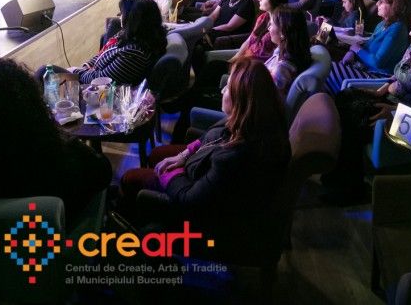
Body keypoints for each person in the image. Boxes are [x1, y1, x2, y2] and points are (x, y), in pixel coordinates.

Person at [119, 59, 290, 242]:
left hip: (208, 217)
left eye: (228, 88)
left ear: (240, 100)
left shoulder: (235, 157)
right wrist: (183, 155)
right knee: (156, 154)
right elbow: (210, 136)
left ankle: (130, 228)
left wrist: (169, 173)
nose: (222, 90)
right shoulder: (251, 117)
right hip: (203, 172)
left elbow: (190, 201)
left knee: (131, 178)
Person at [324, 9, 411, 203]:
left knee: (356, 118)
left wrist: (393, 112)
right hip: (391, 100)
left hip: (408, 118)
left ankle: (350, 188)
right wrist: (382, 90)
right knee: (344, 97)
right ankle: (342, 175)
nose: (410, 32)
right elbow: (397, 76)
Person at [0, 58, 112, 215]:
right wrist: (59, 133)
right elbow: (103, 172)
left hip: (8, 230)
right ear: (32, 106)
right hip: (67, 226)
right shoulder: (59, 161)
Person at [50, 0, 166, 85]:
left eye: (123, 14)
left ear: (133, 20)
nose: (120, 16)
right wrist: (86, 66)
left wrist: (76, 71)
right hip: (91, 73)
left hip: (96, 90)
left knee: (45, 71)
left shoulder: (133, 54)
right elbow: (102, 53)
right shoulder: (133, 35)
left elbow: (101, 79)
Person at [323, 0, 411, 93]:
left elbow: (377, 62)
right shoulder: (382, 24)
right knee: (323, 57)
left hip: (376, 77)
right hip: (363, 67)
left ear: (395, 6)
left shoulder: (398, 29)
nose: (377, 3)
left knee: (326, 68)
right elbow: (366, 44)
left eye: (381, 1)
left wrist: (356, 50)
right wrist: (352, 51)